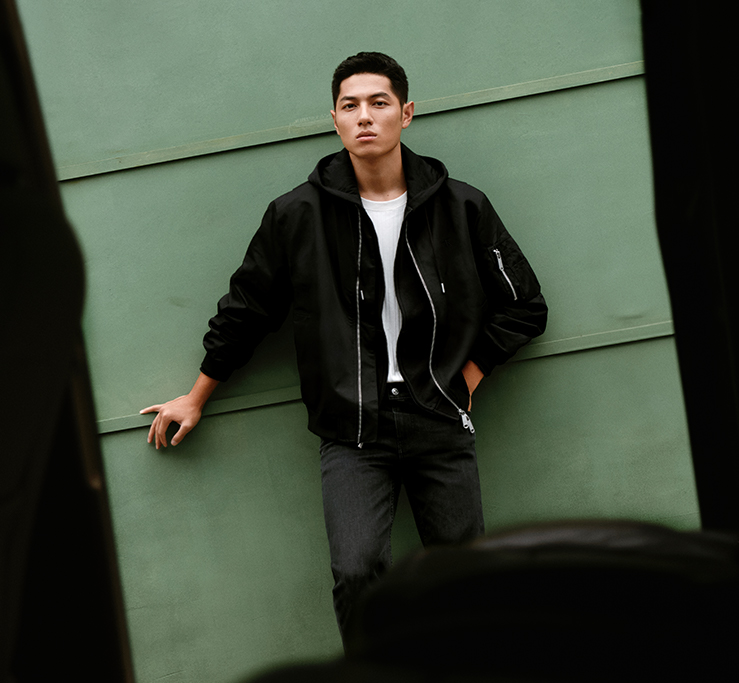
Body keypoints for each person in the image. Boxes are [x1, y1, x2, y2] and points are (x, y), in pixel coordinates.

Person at [141, 52, 548, 637]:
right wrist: (195, 397)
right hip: (352, 427)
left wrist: (466, 378)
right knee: (357, 573)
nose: (364, 116)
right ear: (334, 119)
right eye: (350, 105)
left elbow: (524, 306)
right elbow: (246, 311)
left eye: (379, 103)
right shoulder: (296, 216)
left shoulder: (461, 207)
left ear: (406, 113)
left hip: (438, 416)